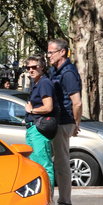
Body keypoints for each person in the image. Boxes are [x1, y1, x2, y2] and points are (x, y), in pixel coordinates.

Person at [47, 38, 82, 205]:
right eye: (48, 52)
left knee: (61, 164)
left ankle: (65, 204)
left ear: (62, 52)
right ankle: (49, 202)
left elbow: (77, 103)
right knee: (46, 162)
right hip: (57, 122)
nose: (48, 56)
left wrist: (75, 124)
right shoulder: (56, 71)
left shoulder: (67, 73)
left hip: (63, 123)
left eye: (51, 52)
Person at [24, 54, 58, 187]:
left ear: (42, 67)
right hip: (33, 128)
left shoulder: (44, 83)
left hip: (40, 129)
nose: (31, 70)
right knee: (35, 166)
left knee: (44, 165)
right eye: (28, 68)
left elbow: (48, 107)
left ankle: (47, 199)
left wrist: (31, 111)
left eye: (34, 67)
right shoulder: (36, 83)